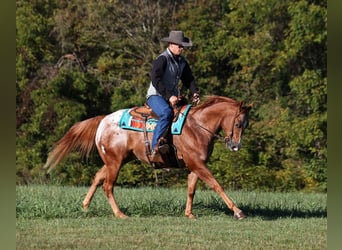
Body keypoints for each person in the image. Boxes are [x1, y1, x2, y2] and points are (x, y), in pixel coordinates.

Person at [146, 30, 200, 161]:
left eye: (182, 46)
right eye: (179, 45)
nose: (181, 48)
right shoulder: (162, 59)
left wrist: (195, 92)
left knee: (188, 113)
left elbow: (189, 79)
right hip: (156, 95)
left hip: (172, 97)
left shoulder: (182, 62)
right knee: (166, 113)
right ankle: (155, 147)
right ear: (171, 44)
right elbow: (155, 79)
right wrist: (169, 96)